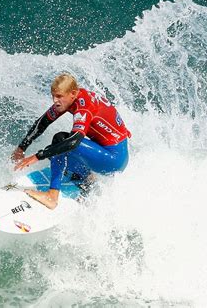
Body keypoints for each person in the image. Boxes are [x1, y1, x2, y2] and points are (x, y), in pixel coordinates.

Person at [12, 73, 131, 209]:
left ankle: (52, 196)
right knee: (57, 150)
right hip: (111, 153)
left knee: (61, 140)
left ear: (72, 94)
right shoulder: (71, 99)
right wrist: (21, 148)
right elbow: (43, 122)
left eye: (59, 97)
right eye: (53, 95)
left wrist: (37, 156)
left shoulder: (84, 107)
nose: (55, 101)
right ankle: (87, 179)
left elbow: (73, 142)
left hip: (113, 161)